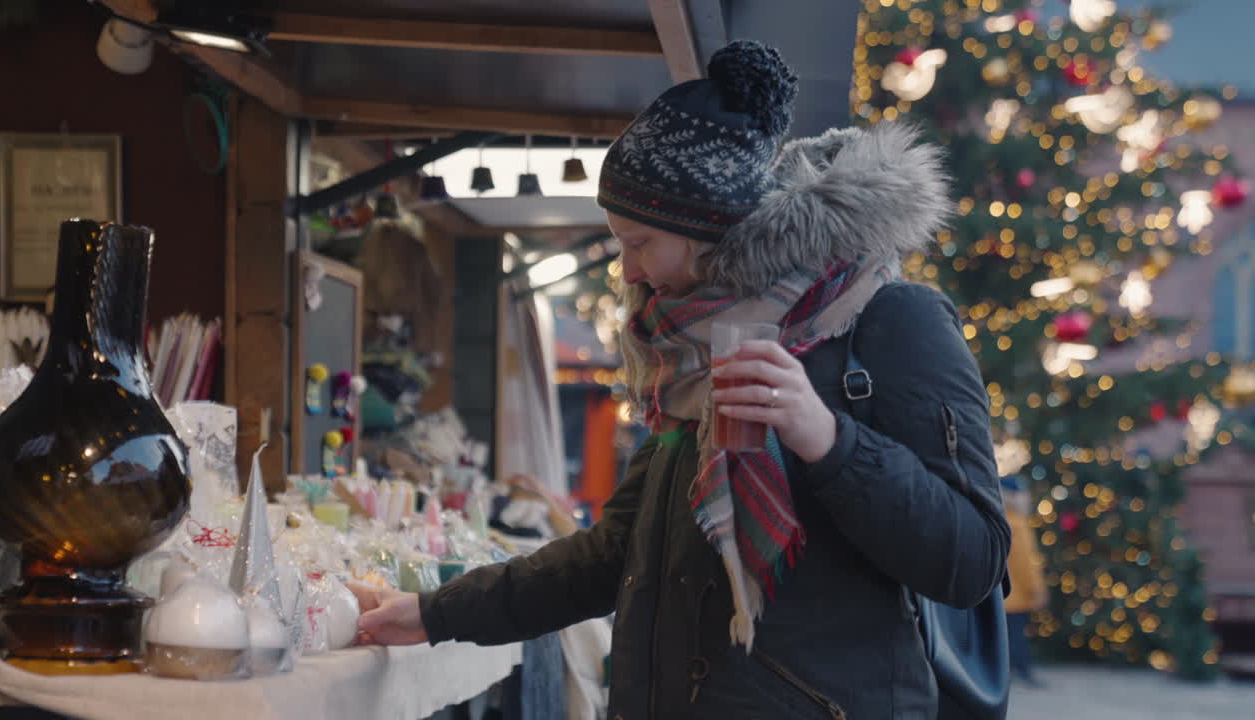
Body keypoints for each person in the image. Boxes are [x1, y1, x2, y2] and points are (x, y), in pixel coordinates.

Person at [349, 40, 1010, 719]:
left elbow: (970, 558)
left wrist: (827, 438)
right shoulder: (687, 359)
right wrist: (433, 613)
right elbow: (613, 556)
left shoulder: (891, 319)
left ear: (709, 234)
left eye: (640, 243)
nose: (629, 271)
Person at [1002, 475, 1048, 687]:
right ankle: (1022, 671)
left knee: (1008, 635)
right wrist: (1036, 589)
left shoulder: (1001, 520)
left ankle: (1011, 671)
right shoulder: (1017, 523)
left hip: (1003, 594)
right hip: (1017, 594)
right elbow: (1024, 563)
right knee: (1016, 635)